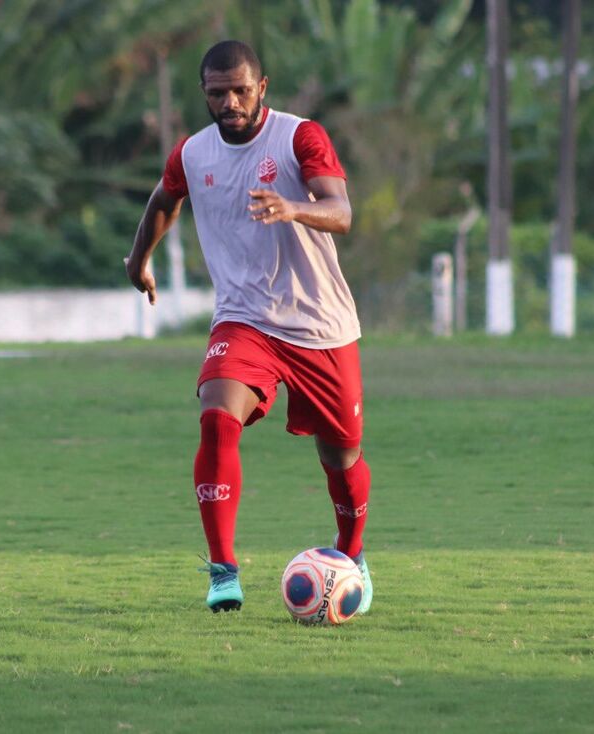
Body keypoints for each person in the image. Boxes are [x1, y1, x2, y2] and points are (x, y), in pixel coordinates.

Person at [125, 40, 372, 614]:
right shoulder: (193, 153)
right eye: (218, 93)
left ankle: (352, 556)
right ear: (205, 94)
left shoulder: (299, 137)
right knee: (216, 416)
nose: (230, 101)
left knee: (341, 458)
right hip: (244, 319)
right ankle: (222, 571)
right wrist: (138, 260)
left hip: (320, 326)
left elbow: (342, 213)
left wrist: (293, 207)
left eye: (240, 90)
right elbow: (165, 200)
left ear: (262, 87)